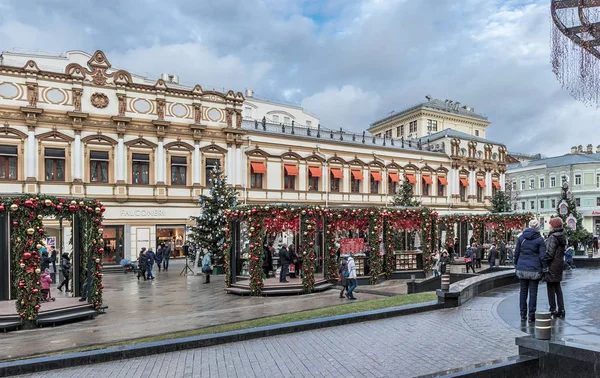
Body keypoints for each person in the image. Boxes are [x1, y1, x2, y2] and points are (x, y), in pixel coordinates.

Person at [515, 219, 546, 323]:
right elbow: (542, 257)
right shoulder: (540, 240)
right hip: (534, 269)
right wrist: (544, 269)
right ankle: (531, 316)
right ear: (538, 228)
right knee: (533, 293)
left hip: (522, 268)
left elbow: (517, 253)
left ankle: (522, 315)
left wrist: (516, 264)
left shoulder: (521, 238)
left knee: (523, 292)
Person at [544, 218, 567, 319]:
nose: (549, 226)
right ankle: (561, 309)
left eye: (550, 224)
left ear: (554, 226)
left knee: (550, 288)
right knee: (557, 287)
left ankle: (552, 309)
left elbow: (549, 253)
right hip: (559, 264)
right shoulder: (562, 235)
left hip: (552, 265)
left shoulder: (553, 237)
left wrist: (543, 260)